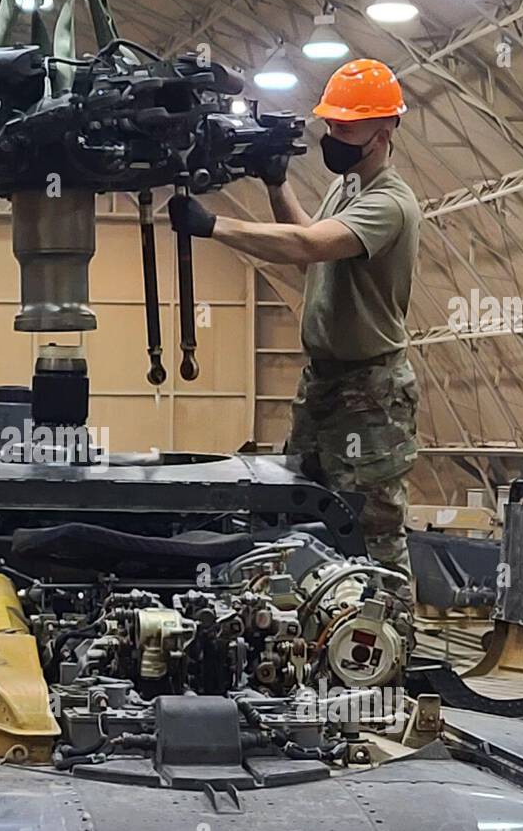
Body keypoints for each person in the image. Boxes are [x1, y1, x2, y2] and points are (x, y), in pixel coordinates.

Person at [167, 59, 421, 592]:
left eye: (347, 128)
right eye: (331, 125)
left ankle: (391, 650)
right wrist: (276, 185)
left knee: (373, 532)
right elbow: (310, 249)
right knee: (304, 514)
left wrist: (214, 225)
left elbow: (309, 246)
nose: (335, 136)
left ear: (385, 130)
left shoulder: (390, 202)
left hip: (369, 393)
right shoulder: (348, 187)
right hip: (325, 385)